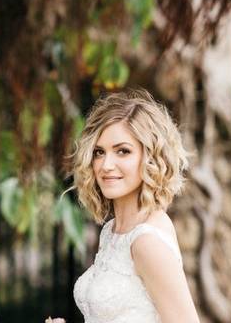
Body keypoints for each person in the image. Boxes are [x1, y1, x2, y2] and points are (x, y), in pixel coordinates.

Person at [50, 88, 200, 323]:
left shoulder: (146, 241)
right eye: (99, 152)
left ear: (150, 157)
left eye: (123, 151)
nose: (106, 165)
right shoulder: (112, 231)